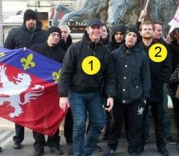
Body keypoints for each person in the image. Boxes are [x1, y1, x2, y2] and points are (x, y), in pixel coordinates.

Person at [58, 19, 116, 156]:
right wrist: (63, 95)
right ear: (87, 30)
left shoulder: (105, 52)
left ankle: (87, 151)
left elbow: (110, 76)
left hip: (95, 94)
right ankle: (78, 153)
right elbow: (65, 72)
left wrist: (110, 96)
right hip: (76, 93)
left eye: (98, 28)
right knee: (79, 125)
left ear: (102, 31)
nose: (96, 30)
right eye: (93, 28)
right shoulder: (75, 48)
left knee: (98, 123)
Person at [3, 9, 47, 153]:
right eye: (28, 19)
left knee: (38, 110)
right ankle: (18, 138)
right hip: (18, 78)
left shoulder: (43, 34)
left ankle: (39, 140)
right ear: (24, 20)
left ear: (36, 20)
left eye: (33, 19)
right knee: (19, 108)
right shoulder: (15, 33)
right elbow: (6, 53)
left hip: (37, 78)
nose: (31, 21)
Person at [104, 27, 150, 156]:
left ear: (137, 39)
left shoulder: (142, 56)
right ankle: (112, 146)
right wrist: (110, 95)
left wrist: (145, 97)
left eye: (134, 36)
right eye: (129, 35)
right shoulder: (115, 54)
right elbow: (111, 77)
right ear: (125, 37)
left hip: (135, 97)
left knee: (135, 126)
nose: (131, 38)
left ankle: (133, 148)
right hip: (118, 97)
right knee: (115, 124)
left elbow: (146, 78)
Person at [137, 21, 172, 156]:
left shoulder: (161, 47)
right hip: (140, 91)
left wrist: (160, 80)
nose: (147, 31)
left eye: (150, 29)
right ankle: (139, 145)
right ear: (140, 32)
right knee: (140, 120)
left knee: (159, 120)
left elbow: (168, 66)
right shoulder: (137, 48)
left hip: (156, 89)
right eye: (144, 29)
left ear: (153, 31)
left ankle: (161, 146)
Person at [31, 26, 66, 155]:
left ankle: (54, 143)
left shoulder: (63, 54)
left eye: (58, 35)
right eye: (53, 35)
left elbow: (64, 73)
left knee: (53, 118)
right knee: (38, 118)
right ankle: (39, 144)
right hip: (37, 91)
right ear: (48, 36)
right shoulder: (36, 49)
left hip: (53, 92)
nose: (56, 37)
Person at [58, 24, 74, 154]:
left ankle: (69, 137)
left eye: (65, 32)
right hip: (54, 85)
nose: (63, 34)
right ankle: (53, 140)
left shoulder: (72, 47)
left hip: (69, 85)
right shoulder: (54, 46)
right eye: (61, 32)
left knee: (70, 114)